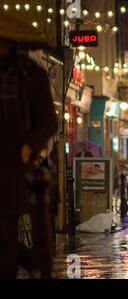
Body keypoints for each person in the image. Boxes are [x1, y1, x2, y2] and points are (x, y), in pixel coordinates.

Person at [0, 39, 58, 278]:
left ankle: (26, 264)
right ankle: (31, 260)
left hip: (12, 165)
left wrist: (28, 146)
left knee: (4, 231)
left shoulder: (30, 74)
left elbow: (48, 121)